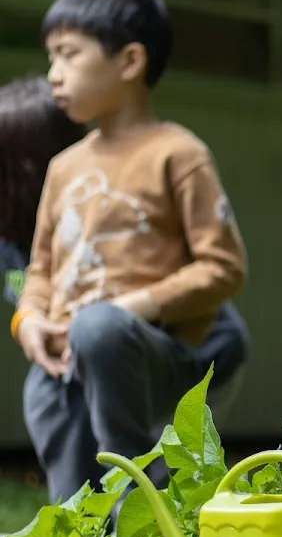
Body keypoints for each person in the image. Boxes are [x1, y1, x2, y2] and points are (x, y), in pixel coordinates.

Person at [12, 0, 248, 502]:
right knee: (51, 385)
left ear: (130, 62)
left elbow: (224, 266)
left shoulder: (177, 153)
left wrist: (132, 308)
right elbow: (40, 270)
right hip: (74, 358)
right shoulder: (63, 167)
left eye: (69, 55)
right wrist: (29, 319)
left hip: (153, 356)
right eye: (51, 58)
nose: (53, 75)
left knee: (98, 330)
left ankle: (138, 490)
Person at [0, 76, 250, 441]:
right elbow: (31, 288)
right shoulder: (15, 238)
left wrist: (121, 311)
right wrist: (25, 321)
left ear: (26, 170)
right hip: (89, 363)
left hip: (193, 355)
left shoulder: (122, 200)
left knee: (162, 474)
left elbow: (218, 272)